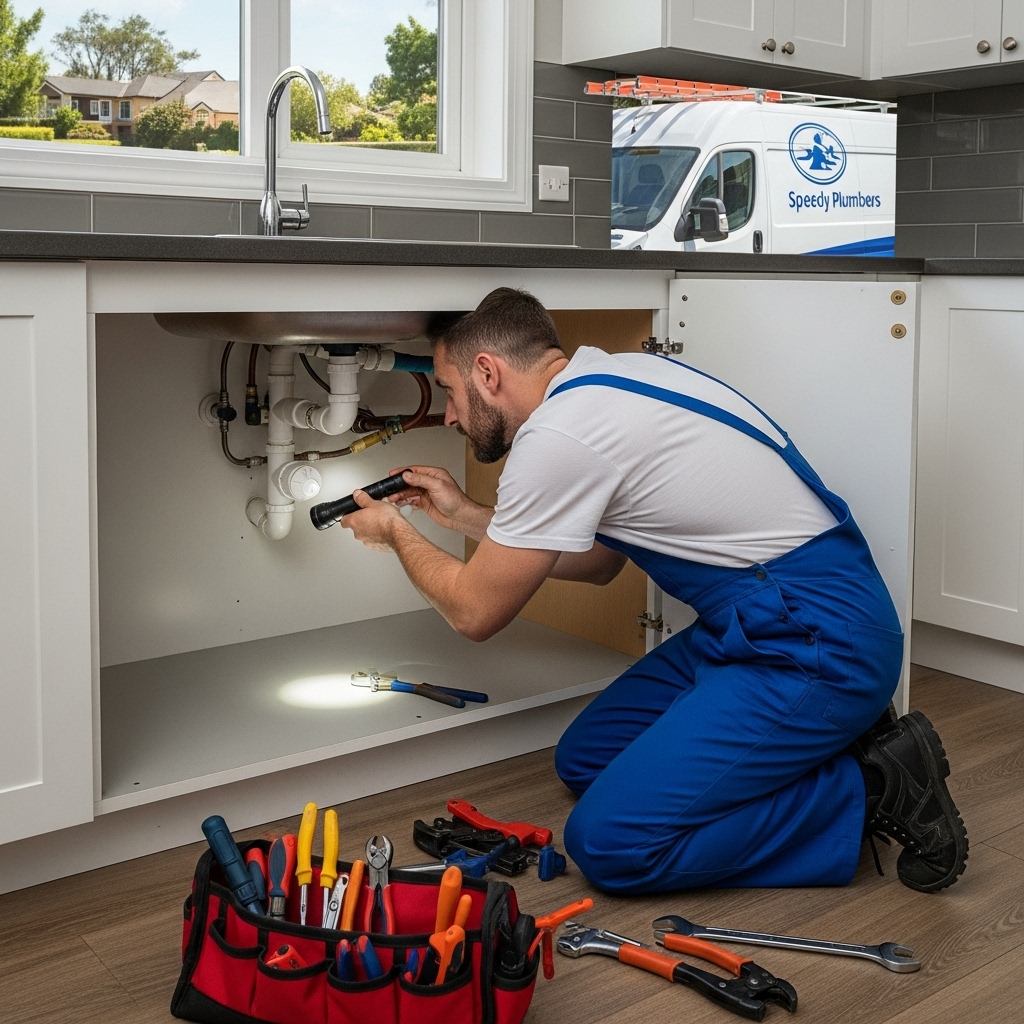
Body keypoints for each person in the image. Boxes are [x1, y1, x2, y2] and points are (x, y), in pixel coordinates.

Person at [342, 287, 968, 894]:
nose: (448, 414)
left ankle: (872, 785)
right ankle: (817, 739)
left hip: (815, 642)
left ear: (487, 371)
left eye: (449, 391)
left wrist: (395, 531)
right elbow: (596, 564)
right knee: (585, 759)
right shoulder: (617, 382)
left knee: (611, 846)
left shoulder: (558, 436)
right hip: (759, 621)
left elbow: (474, 612)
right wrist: (461, 515)